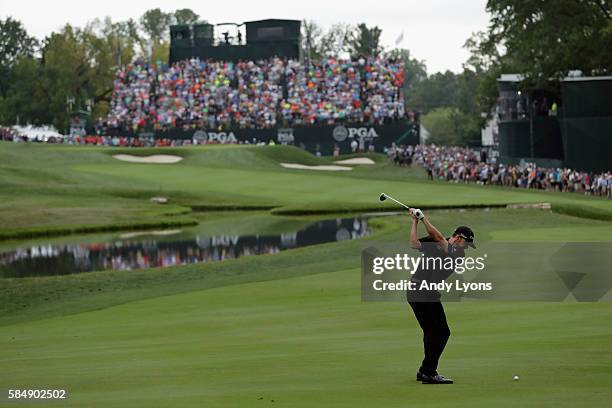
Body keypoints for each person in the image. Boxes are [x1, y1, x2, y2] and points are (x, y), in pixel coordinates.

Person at [407, 208, 475, 384]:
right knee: (439, 332)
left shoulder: (457, 254)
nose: (466, 248)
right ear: (459, 238)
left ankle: (425, 370)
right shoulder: (441, 241)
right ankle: (429, 371)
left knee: (435, 331)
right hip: (420, 291)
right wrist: (415, 221)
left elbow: (438, 238)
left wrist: (423, 219)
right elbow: (414, 244)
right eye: (466, 244)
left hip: (424, 292)